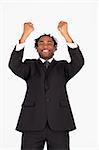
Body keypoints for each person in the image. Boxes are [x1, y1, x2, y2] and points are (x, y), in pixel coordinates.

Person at [8, 21, 84, 150]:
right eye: (41, 43)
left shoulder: (63, 67)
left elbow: (78, 62)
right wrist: (24, 36)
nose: (45, 46)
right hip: (32, 122)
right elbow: (14, 65)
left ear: (55, 48)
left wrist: (65, 34)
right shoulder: (29, 66)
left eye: (50, 43)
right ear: (36, 48)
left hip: (59, 122)